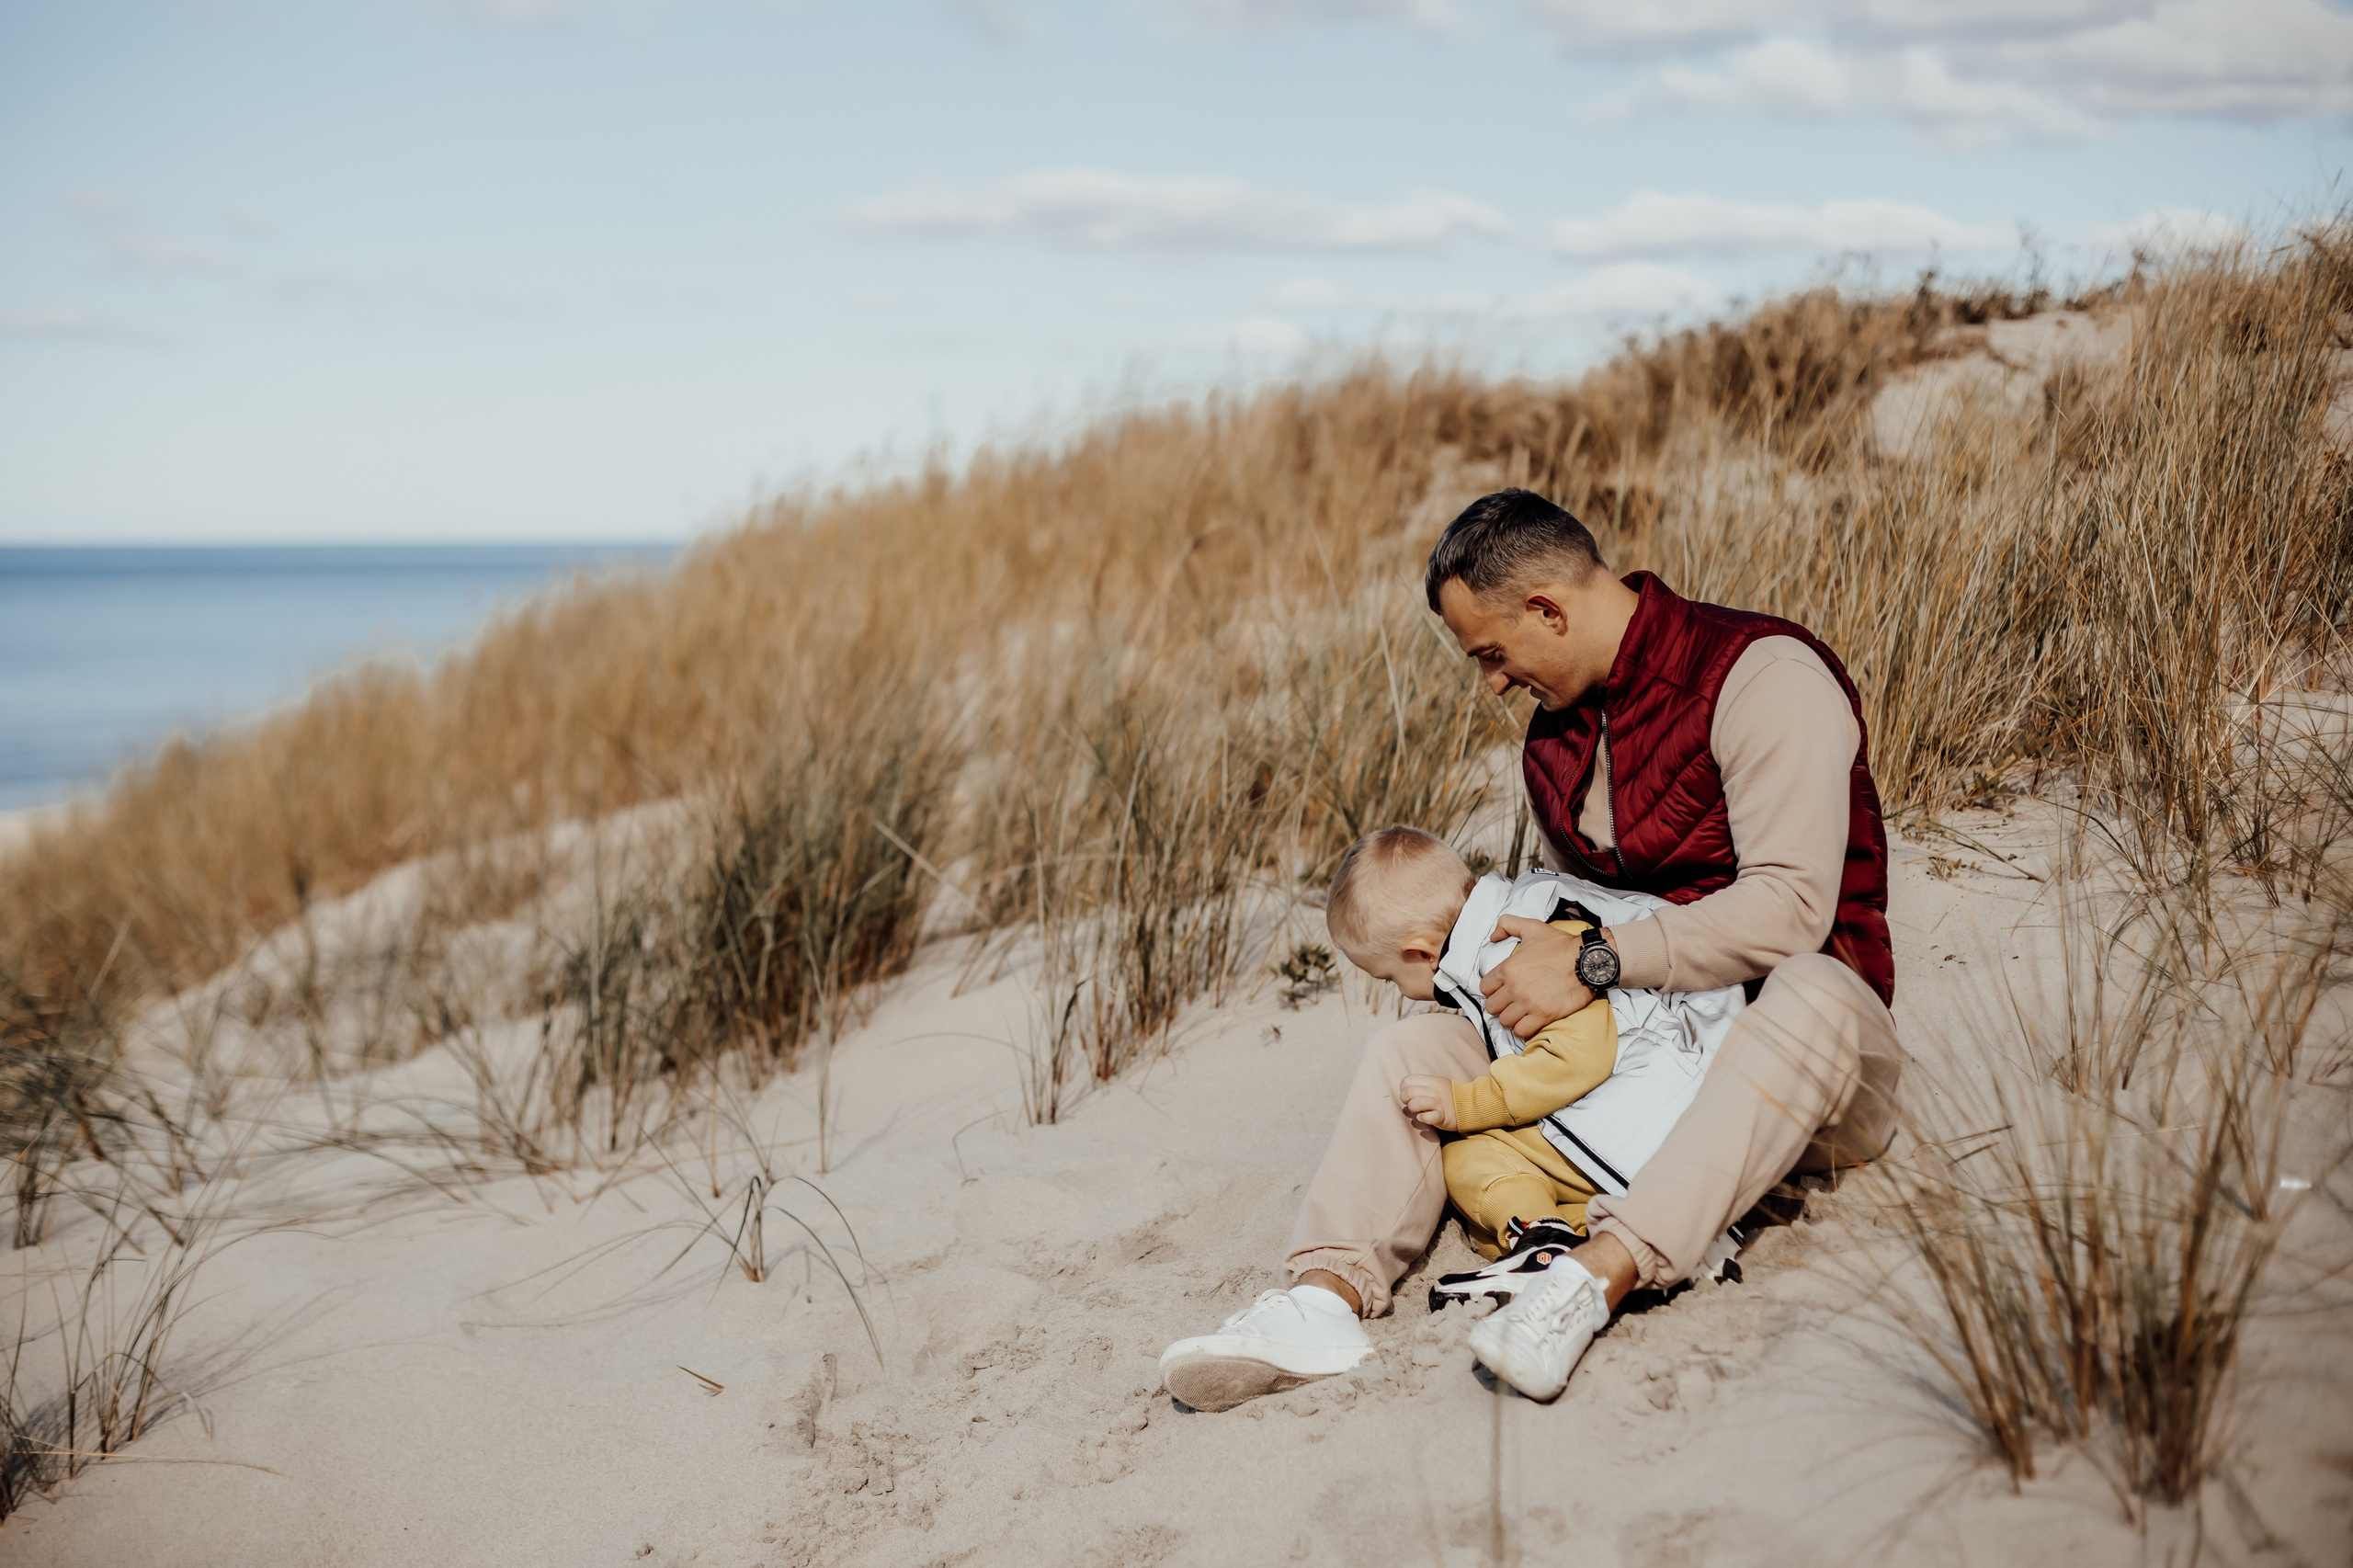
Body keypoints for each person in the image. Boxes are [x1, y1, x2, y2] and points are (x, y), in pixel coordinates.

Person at [1156, 488, 1902, 1407]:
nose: (1493, 683)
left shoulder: (1761, 676)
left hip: (1808, 1069)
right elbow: (1570, 920)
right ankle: (1322, 1297)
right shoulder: (1552, 744)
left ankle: (1592, 1278)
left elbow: (1790, 908)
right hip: (1645, 1061)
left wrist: (1593, 961)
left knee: (1811, 992)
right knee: (1410, 1050)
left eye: (1492, 653)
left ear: (1549, 608)